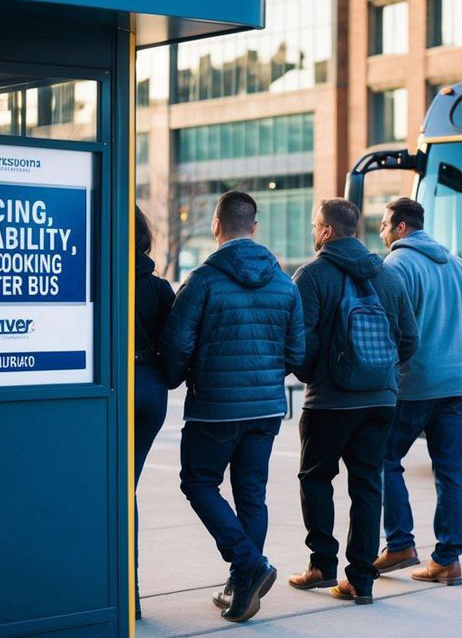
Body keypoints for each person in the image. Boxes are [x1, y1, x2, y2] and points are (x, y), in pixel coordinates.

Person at [159, 191, 305, 623]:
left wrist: (177, 378)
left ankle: (250, 566)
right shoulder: (284, 283)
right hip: (265, 409)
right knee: (251, 495)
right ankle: (243, 587)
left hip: (215, 408)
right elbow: (297, 353)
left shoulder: (203, 279)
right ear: (254, 227)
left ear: (216, 225)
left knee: (198, 483)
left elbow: (176, 342)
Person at [289, 198, 419, 605]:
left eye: (315, 227)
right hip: (381, 402)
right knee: (367, 486)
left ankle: (322, 563)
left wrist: (317, 374)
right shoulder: (388, 276)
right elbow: (410, 340)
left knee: (315, 479)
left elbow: (299, 343)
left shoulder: (311, 276)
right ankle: (360, 579)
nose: (313, 233)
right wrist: (379, 372)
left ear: (327, 232)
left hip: (329, 401)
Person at [375, 198, 462, 586]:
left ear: (401, 228)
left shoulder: (397, 265)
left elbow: (389, 331)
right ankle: (448, 560)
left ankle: (400, 542)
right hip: (458, 381)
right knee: (450, 470)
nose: (382, 232)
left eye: (385, 225)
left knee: (383, 458)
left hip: (415, 383)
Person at [132, 206, 175, 620]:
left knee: (115, 491)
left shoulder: (103, 279)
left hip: (119, 387)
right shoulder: (161, 289)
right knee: (127, 488)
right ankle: (133, 592)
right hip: (152, 390)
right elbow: (176, 344)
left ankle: (126, 591)